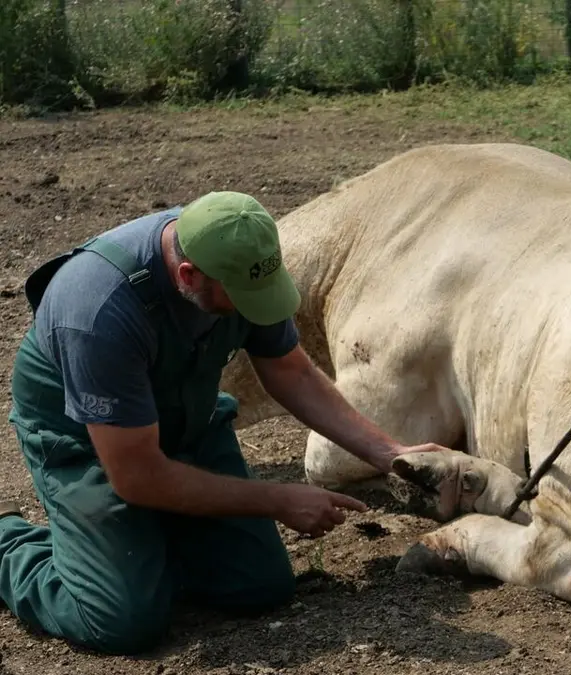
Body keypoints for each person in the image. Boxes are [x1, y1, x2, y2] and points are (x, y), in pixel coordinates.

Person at [0, 191, 447, 655]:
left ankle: (137, 543)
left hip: (185, 420)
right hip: (90, 443)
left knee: (259, 586)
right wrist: (278, 498)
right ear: (188, 276)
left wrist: (388, 453)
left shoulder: (244, 260)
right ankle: (9, 543)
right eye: (242, 300)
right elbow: (136, 477)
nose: (257, 307)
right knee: (121, 620)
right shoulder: (98, 312)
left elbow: (290, 371)